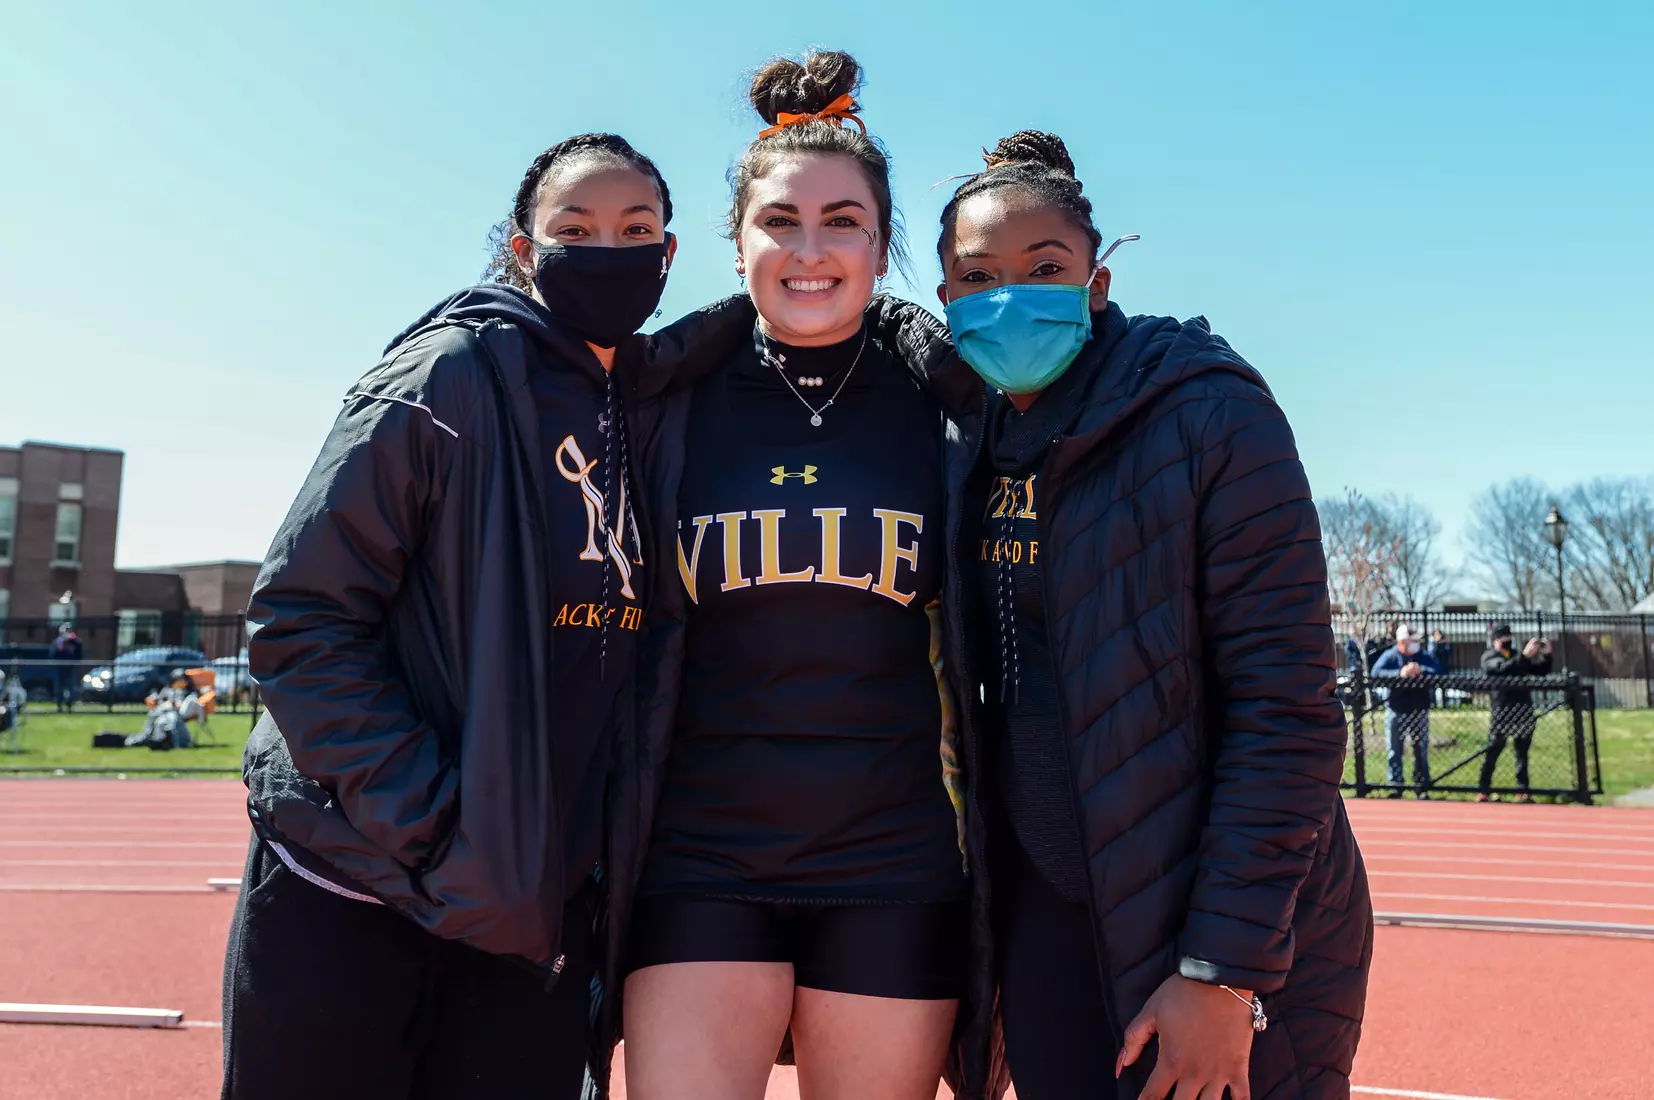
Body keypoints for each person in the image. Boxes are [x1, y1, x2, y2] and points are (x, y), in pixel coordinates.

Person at [223, 133, 749, 1100]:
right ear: (523, 249)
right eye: (575, 228)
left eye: (637, 229)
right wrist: (438, 829)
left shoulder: (645, 408)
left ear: (669, 254)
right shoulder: (443, 380)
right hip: (362, 885)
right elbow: (300, 621)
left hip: (527, 914)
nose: (608, 248)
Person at [934, 131, 1371, 1100]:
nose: (1013, 294)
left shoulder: (1209, 413)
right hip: (1045, 909)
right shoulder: (966, 432)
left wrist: (1225, 968)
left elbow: (1287, 709)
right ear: (947, 304)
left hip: (1206, 920)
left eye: (1044, 267)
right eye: (978, 275)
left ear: (1096, 280)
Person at [621, 51, 976, 1100]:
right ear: (736, 247)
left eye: (843, 221)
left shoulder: (950, 405)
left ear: (881, 244)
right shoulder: (659, 400)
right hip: (699, 850)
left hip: (892, 857)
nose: (809, 248)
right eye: (780, 220)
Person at [1477, 623, 1553, 803]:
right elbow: (1504, 669)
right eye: (1504, 638)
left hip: (1522, 709)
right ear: (1495, 640)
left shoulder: (1518, 655)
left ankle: (1523, 789)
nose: (1508, 641)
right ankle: (1483, 789)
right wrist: (1525, 657)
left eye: (1510, 637)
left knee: (1522, 753)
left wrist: (1547, 655)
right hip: (1502, 711)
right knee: (1494, 750)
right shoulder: (1489, 657)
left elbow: (1540, 671)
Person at [1371, 624, 1444, 797]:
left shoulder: (1423, 656)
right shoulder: (1390, 655)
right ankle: (1396, 785)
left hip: (1419, 709)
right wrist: (1400, 673)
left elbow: (1439, 672)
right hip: (1396, 709)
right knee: (1394, 750)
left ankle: (1421, 786)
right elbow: (1376, 673)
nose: (1416, 644)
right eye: (1412, 641)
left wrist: (1421, 670)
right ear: (1402, 642)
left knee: (1421, 749)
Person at [49, 623, 82, 712]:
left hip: (71, 668)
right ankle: (59, 706)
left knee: (71, 687)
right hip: (59, 668)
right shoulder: (57, 642)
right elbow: (53, 655)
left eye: (68, 630)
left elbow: (79, 655)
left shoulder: (76, 642)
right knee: (59, 687)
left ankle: (70, 706)